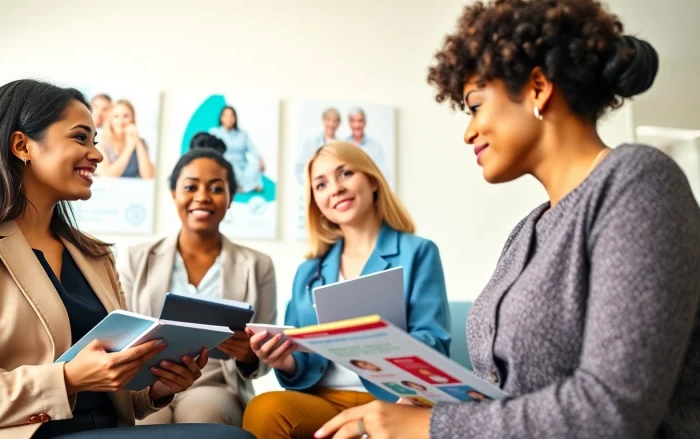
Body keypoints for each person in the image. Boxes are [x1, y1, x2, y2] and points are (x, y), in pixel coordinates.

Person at [315, 1, 700, 438]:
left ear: (537, 87)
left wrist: (432, 426)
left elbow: (611, 409)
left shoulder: (638, 182)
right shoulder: (526, 233)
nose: (468, 132)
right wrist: (434, 401)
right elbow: (511, 395)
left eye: (475, 106)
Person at [0, 79, 254, 439]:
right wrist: (67, 378)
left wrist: (160, 388)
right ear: (22, 145)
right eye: (81, 138)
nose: (98, 155)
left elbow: (124, 398)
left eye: (95, 141)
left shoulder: (93, 254)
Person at [242, 141, 451, 439]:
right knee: (265, 408)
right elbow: (302, 362)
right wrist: (284, 360)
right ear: (316, 202)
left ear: (372, 180)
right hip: (324, 400)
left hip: (395, 399)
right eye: (321, 184)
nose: (335, 189)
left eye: (345, 174)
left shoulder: (418, 252)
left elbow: (433, 342)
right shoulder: (308, 271)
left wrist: (404, 386)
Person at [118, 145, 276, 427]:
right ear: (173, 194)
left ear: (231, 199)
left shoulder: (257, 265)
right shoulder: (136, 258)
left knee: (206, 419)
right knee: (145, 426)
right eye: (191, 187)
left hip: (215, 385)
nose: (202, 197)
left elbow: (263, 357)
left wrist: (249, 355)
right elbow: (120, 337)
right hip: (147, 385)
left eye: (216, 189)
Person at [209, 106, 265, 193]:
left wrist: (260, 159)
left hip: (243, 165)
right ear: (221, 118)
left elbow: (252, 148)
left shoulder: (242, 134)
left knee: (255, 165)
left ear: (235, 119)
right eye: (226, 116)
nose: (229, 119)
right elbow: (209, 150)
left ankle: (241, 187)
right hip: (226, 164)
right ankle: (251, 185)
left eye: (232, 116)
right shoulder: (215, 132)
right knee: (231, 166)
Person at [97, 100, 155, 179]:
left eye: (126, 116)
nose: (121, 121)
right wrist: (129, 148)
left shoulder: (142, 142)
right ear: (110, 120)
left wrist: (137, 142)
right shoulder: (102, 142)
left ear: (132, 119)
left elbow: (148, 176)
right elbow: (107, 175)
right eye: (116, 116)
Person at [343, 107, 391, 185]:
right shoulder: (342, 145)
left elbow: (382, 173)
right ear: (349, 124)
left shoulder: (375, 146)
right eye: (353, 121)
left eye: (360, 121)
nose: (357, 125)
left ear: (365, 123)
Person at [294, 107, 341, 184]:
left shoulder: (343, 145)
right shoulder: (311, 143)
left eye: (335, 121)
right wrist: (311, 184)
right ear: (323, 121)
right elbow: (299, 169)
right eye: (328, 120)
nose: (331, 124)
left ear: (339, 123)